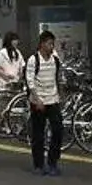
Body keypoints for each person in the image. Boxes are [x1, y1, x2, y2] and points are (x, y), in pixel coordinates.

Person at [24, 30, 65, 176]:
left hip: (53, 99)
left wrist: (60, 96)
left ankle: (53, 161)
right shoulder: (33, 60)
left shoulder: (55, 59)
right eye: (49, 43)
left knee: (58, 130)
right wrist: (37, 99)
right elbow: (30, 82)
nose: (52, 46)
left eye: (53, 44)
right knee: (38, 134)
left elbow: (58, 77)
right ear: (42, 44)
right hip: (38, 101)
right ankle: (39, 164)